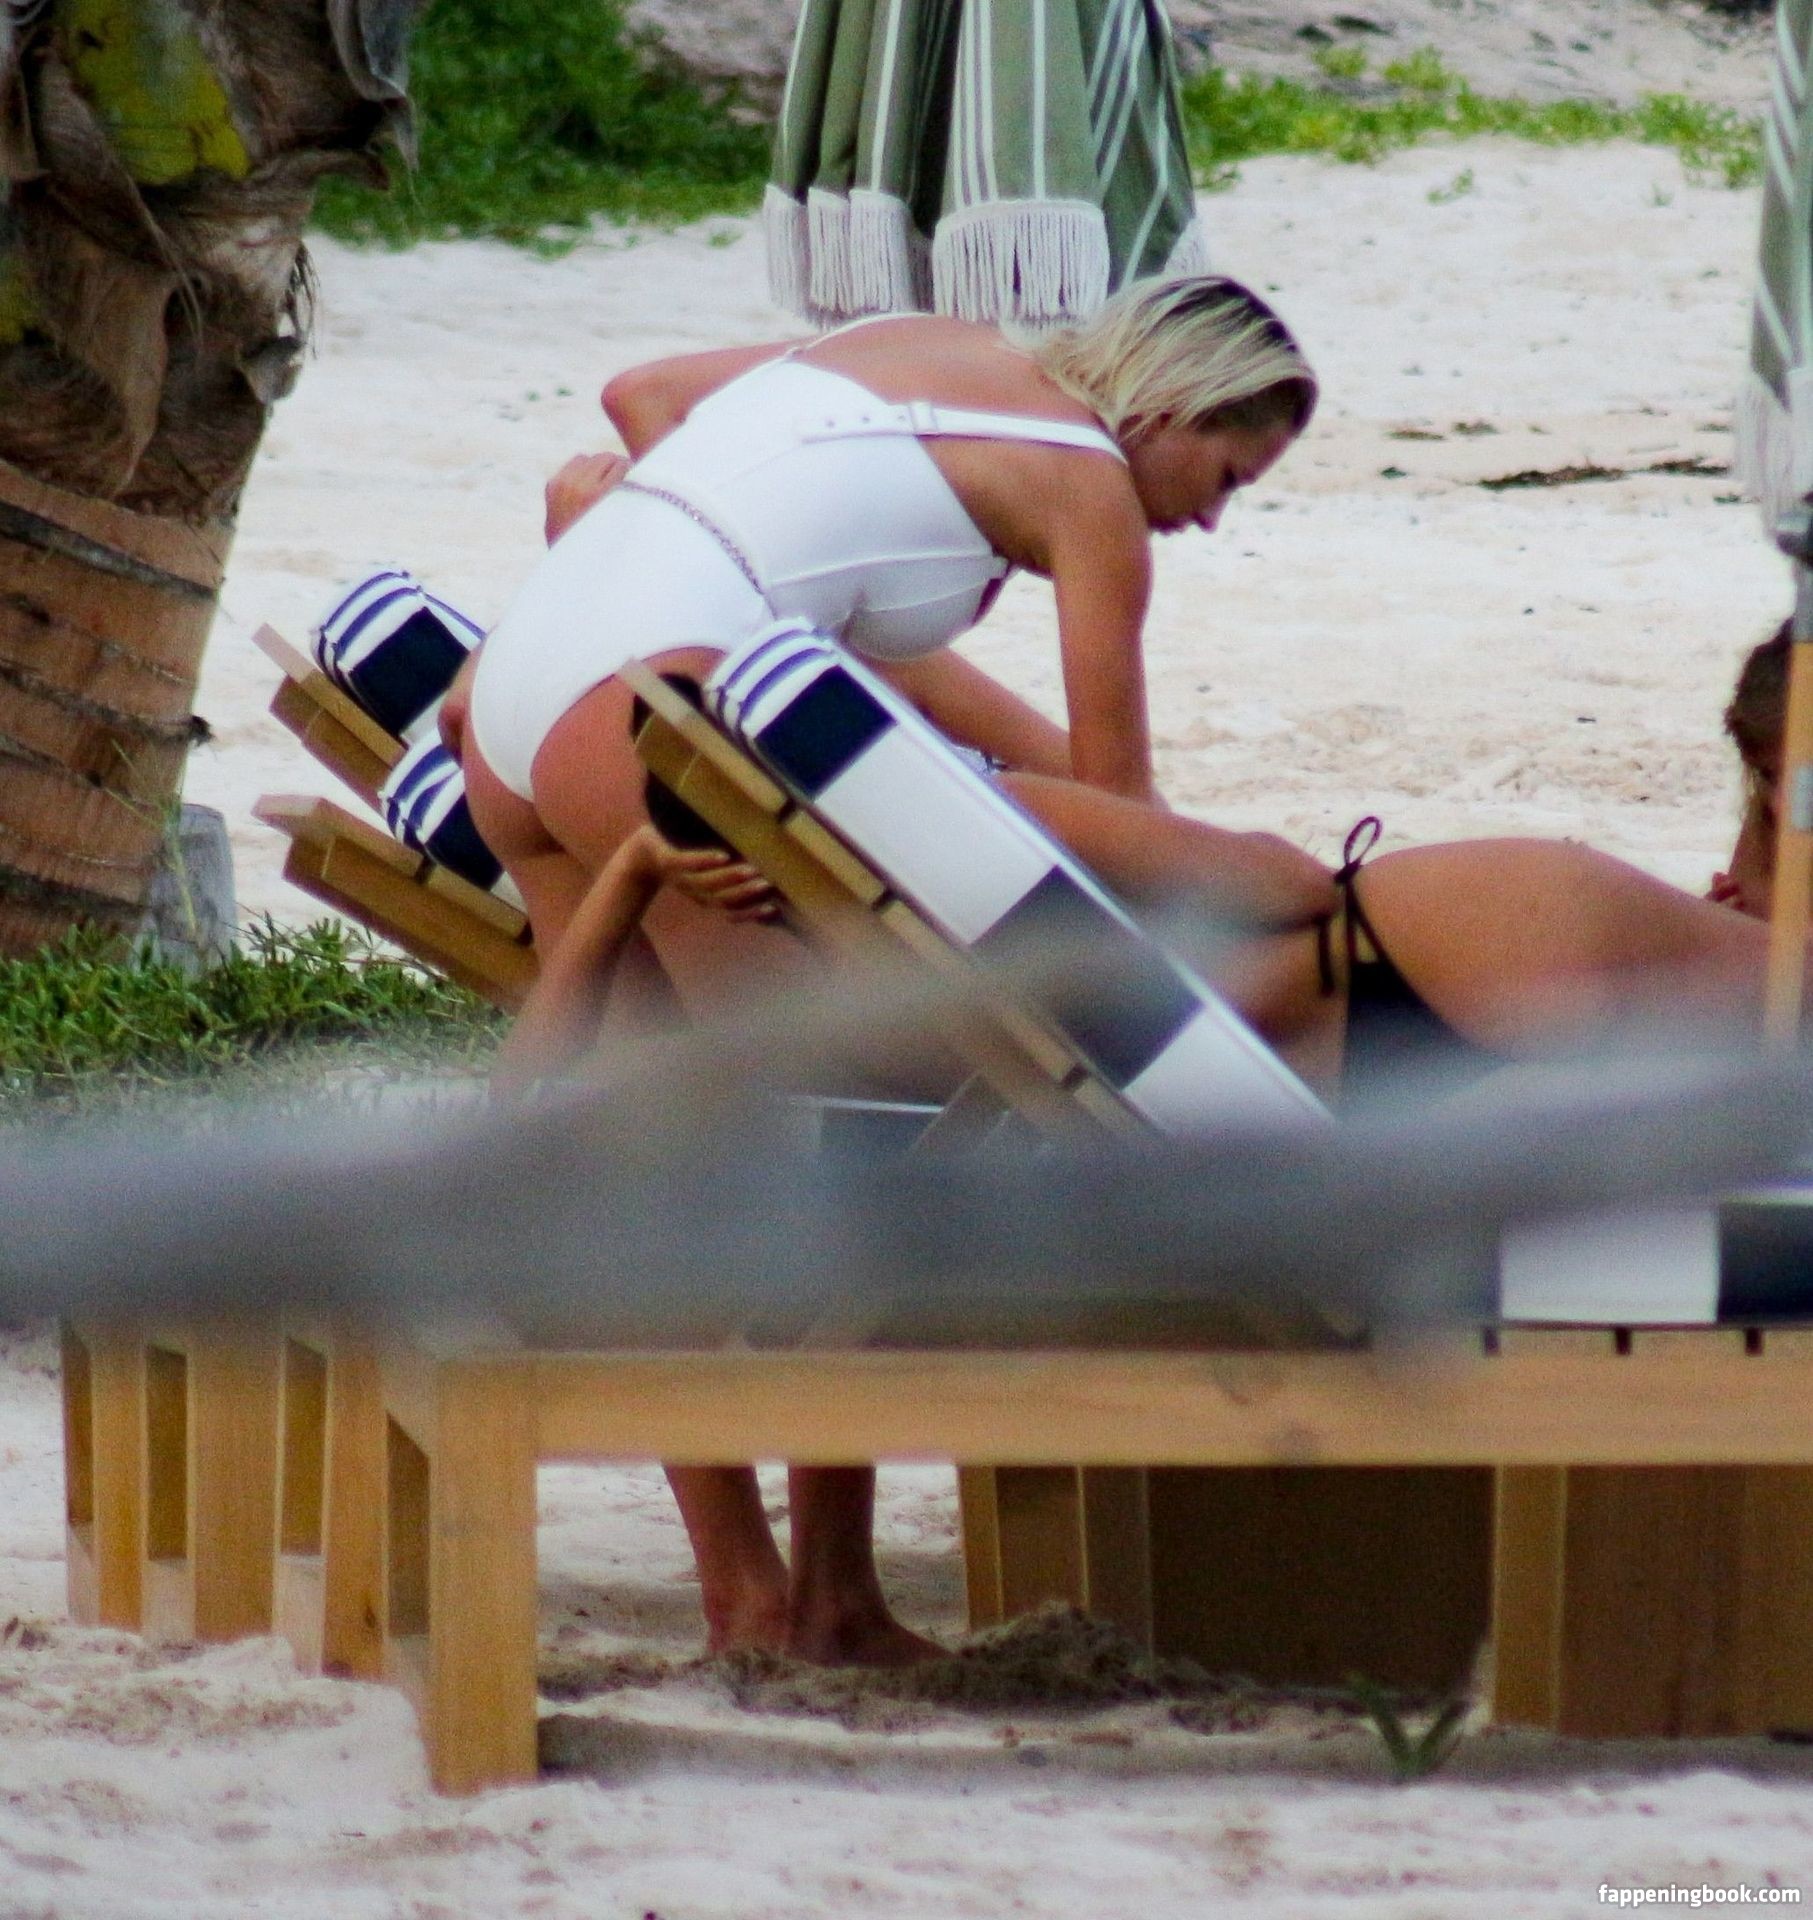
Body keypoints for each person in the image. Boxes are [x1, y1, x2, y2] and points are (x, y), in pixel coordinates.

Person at [441, 273, 1317, 1667]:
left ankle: (747, 1594)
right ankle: (833, 1600)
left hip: (521, 697)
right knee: (824, 1128)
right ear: (1165, 411)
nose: (1210, 517)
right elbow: (1119, 813)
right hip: (655, 709)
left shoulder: (926, 350)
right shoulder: (1092, 488)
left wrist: (676, 572)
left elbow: (644, 397)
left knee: (666, 1151)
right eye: (1225, 478)